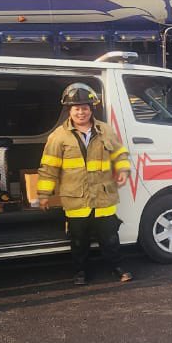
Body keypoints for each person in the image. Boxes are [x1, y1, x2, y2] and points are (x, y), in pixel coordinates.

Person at [38, 83, 133, 285]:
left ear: (92, 109)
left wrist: (123, 170)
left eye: (85, 107)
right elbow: (49, 167)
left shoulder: (105, 130)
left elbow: (119, 153)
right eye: (76, 108)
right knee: (78, 241)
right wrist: (44, 194)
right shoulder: (58, 137)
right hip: (76, 200)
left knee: (110, 239)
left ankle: (118, 268)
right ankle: (80, 272)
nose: (81, 112)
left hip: (103, 196)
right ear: (69, 111)